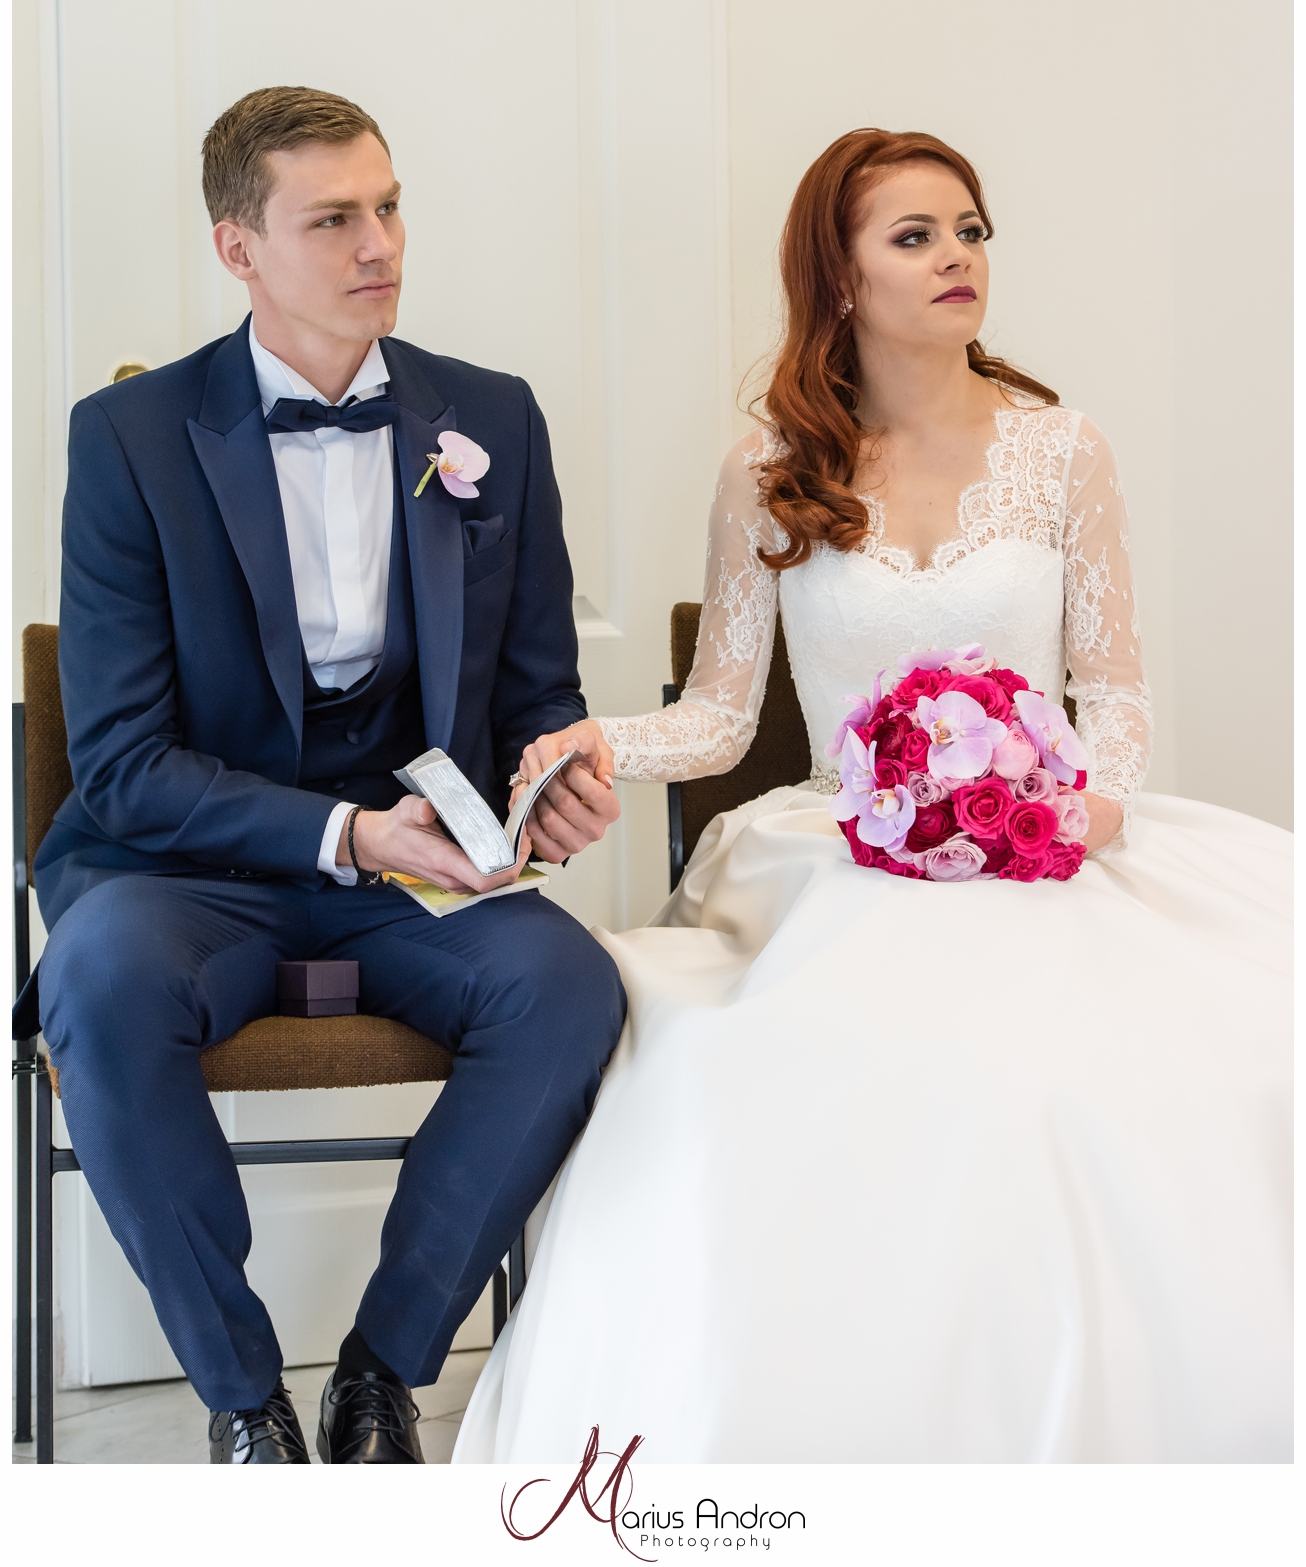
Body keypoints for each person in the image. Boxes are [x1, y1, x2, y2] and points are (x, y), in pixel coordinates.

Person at [454, 126, 1292, 1463]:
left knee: (1144, 1059)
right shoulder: (768, 468)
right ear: (839, 278)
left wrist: (1087, 810)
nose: (957, 256)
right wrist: (595, 740)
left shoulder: (1063, 451)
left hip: (1039, 841)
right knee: (806, 1060)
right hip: (838, 843)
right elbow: (722, 715)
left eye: (970, 230)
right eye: (915, 237)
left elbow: (1114, 694)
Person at [17, 86, 625, 1463]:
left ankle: (382, 1376)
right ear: (238, 248)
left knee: (567, 987)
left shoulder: (493, 418)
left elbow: (537, 690)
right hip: (184, 871)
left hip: (412, 877)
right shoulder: (129, 439)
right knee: (97, 984)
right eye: (334, 218)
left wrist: (554, 778)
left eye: (389, 206)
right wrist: (351, 831)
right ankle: (245, 1401)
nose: (379, 244)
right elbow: (120, 762)